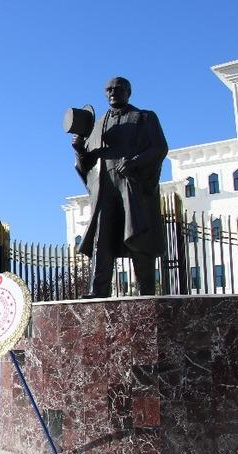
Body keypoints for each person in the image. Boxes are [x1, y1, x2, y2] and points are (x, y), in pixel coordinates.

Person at [71, 76, 169, 297]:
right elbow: (87, 164)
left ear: (128, 91)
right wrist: (79, 149)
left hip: (132, 186)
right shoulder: (97, 125)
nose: (113, 92)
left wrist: (135, 162)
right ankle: (98, 291)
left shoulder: (144, 117)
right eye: (109, 89)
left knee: (138, 236)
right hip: (105, 188)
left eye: (118, 88)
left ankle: (146, 292)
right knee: (102, 239)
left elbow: (160, 148)